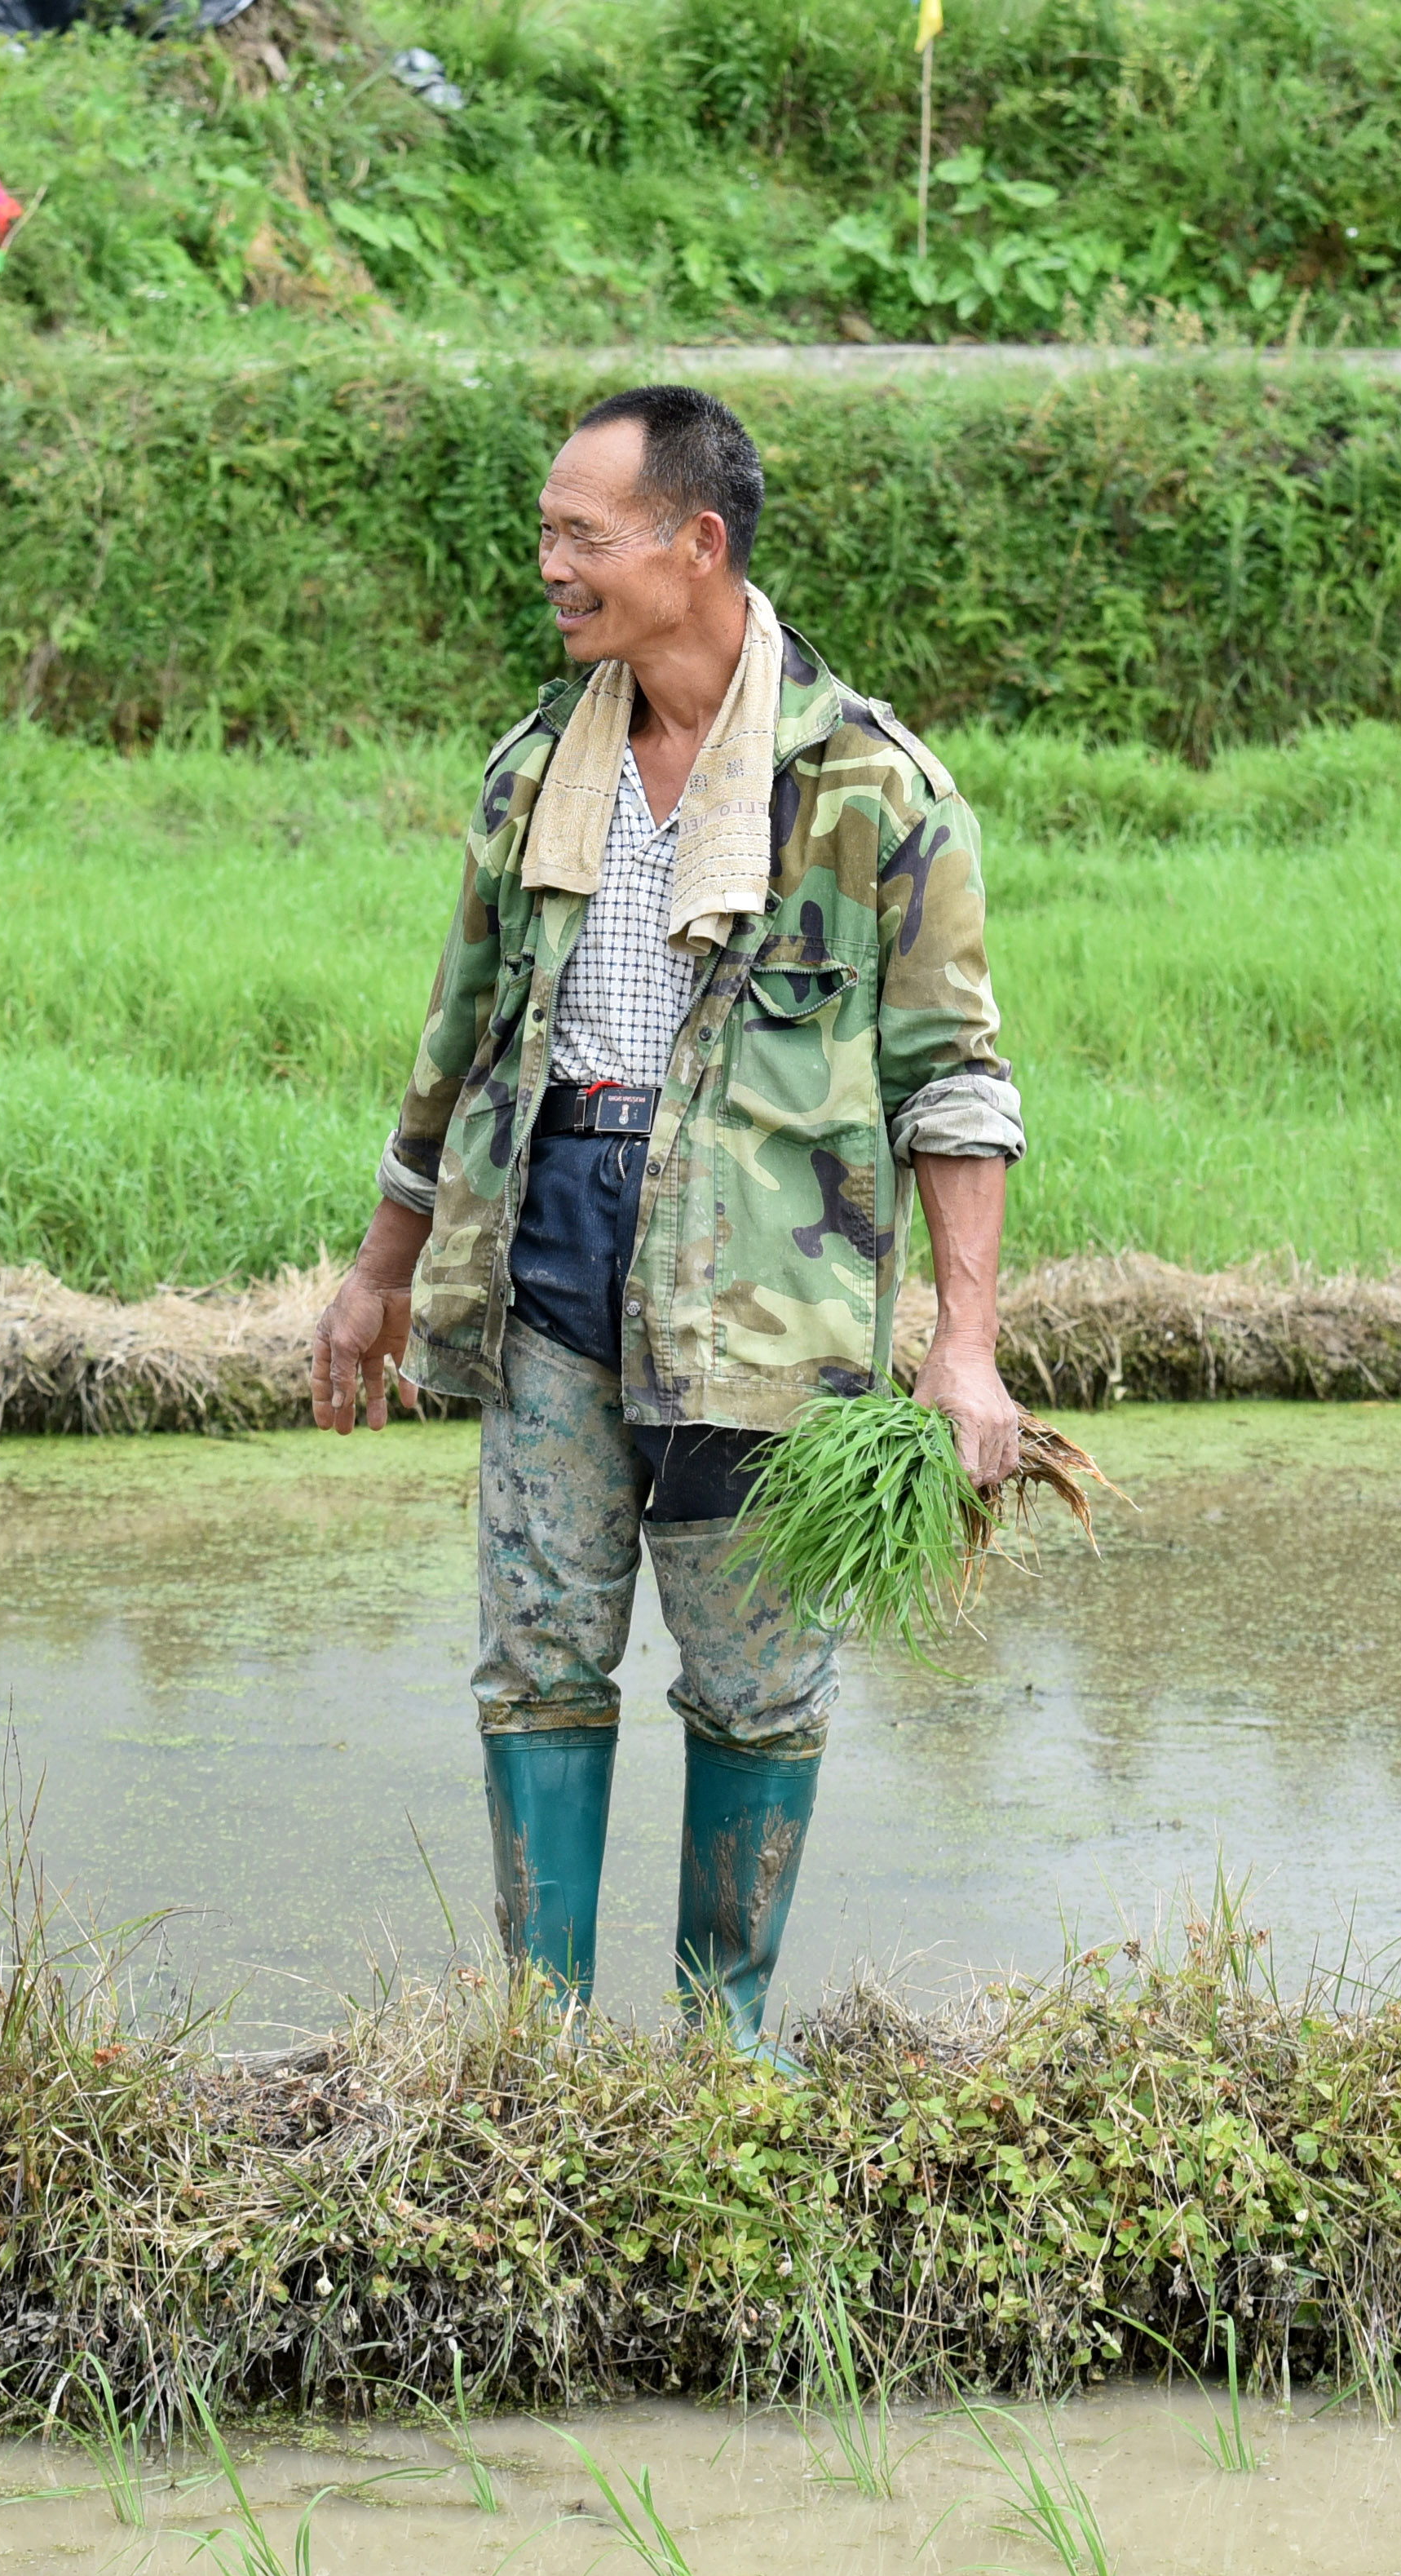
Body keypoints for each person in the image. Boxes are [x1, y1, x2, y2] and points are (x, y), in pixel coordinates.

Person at [309, 384, 1025, 2064]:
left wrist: (965, 1345)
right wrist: (377, 1272)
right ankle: (540, 2047)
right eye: (548, 530)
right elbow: (459, 1042)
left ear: (696, 544)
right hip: (551, 1244)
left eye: (581, 533)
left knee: (760, 1678)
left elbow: (956, 1083)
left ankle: (731, 2043)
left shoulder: (871, 790)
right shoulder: (530, 774)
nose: (548, 562)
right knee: (539, 1653)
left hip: (767, 1292)